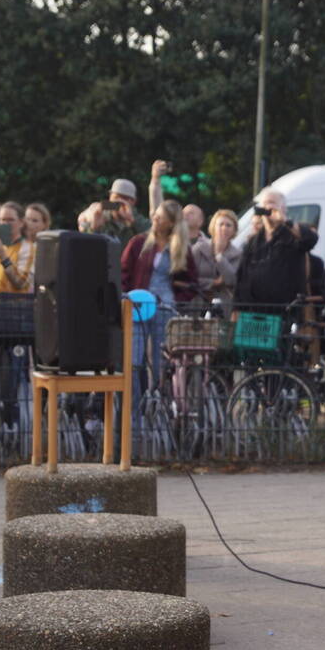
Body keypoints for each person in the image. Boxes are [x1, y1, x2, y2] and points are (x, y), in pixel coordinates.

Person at [120, 199, 198, 449]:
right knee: (134, 361)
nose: (155, 219)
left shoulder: (181, 248)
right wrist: (126, 297)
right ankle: (132, 416)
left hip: (165, 307)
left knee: (160, 362)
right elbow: (123, 272)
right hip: (140, 306)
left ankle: (156, 411)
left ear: (171, 223)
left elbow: (191, 281)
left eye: (161, 217)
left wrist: (178, 300)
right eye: (155, 215)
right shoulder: (139, 243)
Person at [233, 188, 317, 309]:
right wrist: (236, 308)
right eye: (264, 203)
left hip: (285, 310)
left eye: (272, 202)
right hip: (254, 311)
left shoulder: (291, 235)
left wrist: (285, 220)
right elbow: (241, 277)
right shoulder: (253, 241)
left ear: (283, 208)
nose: (267, 207)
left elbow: (311, 240)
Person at [192, 208, 241, 312]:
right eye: (221, 224)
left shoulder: (238, 254)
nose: (224, 228)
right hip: (197, 306)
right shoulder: (199, 248)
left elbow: (232, 280)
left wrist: (219, 256)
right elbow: (189, 278)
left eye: (228, 225)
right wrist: (214, 283)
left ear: (234, 230)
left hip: (224, 308)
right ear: (213, 227)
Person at [77, 177, 150, 246]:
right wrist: (94, 227)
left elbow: (154, 237)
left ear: (134, 202)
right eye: (117, 197)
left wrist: (133, 222)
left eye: (125, 199)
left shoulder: (138, 219)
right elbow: (84, 236)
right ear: (110, 197)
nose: (120, 202)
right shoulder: (99, 212)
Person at [0, 201, 35, 293]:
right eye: (2, 220)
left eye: (10, 220)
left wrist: (2, 256)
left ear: (21, 222)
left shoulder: (28, 248)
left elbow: (20, 283)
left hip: (12, 305)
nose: (6, 224)